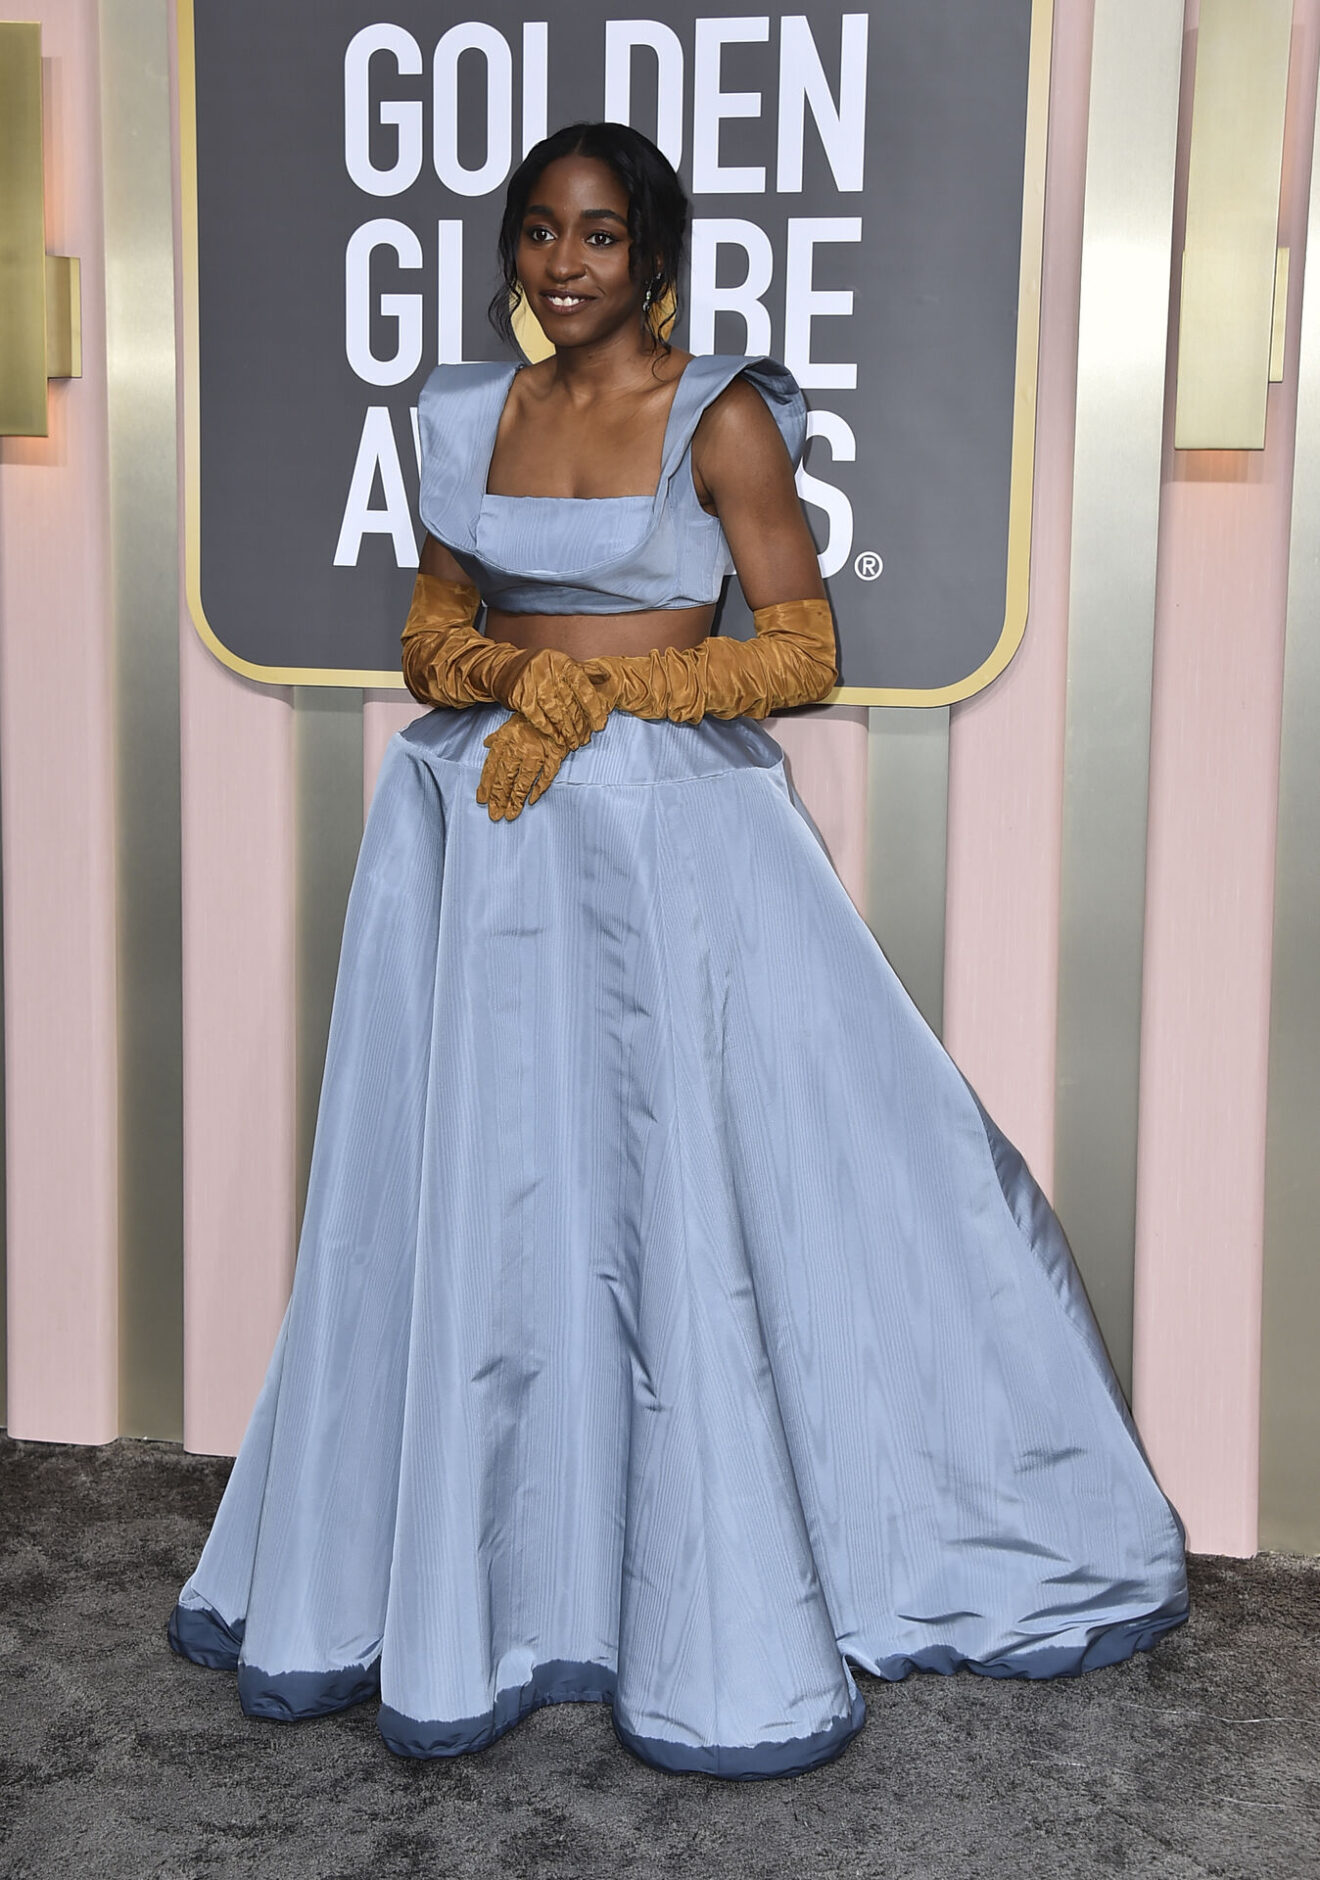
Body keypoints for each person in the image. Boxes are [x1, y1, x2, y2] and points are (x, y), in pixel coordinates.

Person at [168, 122, 1188, 1780]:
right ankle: (486, 1572)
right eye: (538, 236)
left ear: (653, 251)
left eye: (599, 236)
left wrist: (617, 695)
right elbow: (431, 627)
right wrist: (509, 684)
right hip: (481, 825)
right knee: (488, 1186)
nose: (564, 268)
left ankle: (720, 1573)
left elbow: (799, 645)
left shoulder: (719, 413)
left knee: (682, 1184)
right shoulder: (452, 414)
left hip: (668, 840)